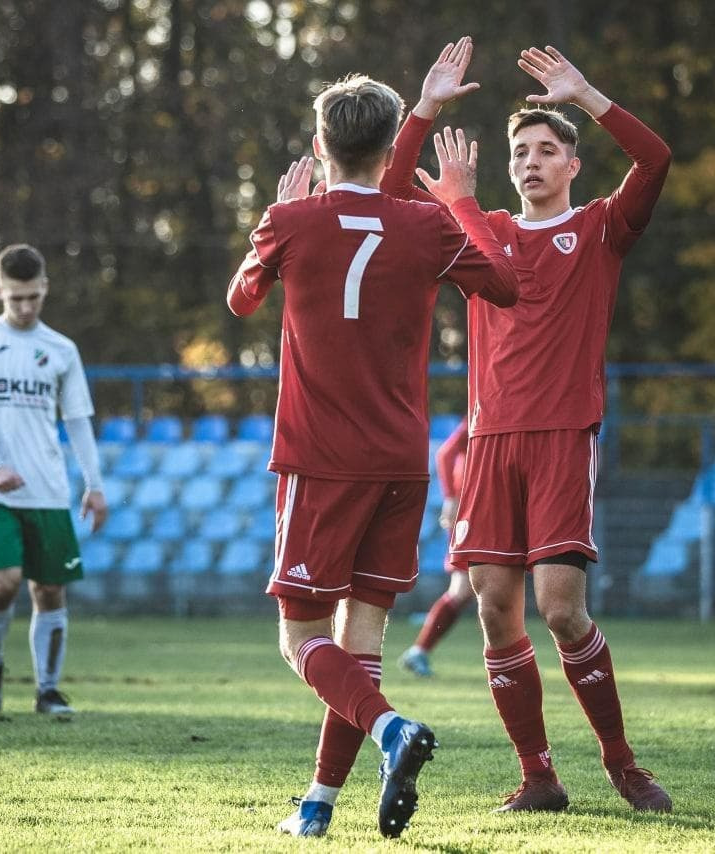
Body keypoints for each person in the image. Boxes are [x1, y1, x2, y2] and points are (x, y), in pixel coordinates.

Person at [226, 39, 519, 840]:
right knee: (360, 648)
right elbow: (504, 284)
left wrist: (268, 228)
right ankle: (318, 805)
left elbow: (242, 301)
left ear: (319, 145)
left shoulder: (289, 221)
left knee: (300, 641)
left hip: (320, 461)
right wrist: (460, 199)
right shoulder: (426, 225)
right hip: (400, 461)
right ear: (392, 152)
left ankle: (392, 729)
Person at [382, 43, 673, 814]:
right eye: (520, 152)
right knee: (491, 607)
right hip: (489, 443)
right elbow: (389, 192)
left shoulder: (601, 227)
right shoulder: (482, 231)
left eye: (547, 150)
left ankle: (623, 765)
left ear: (573, 164)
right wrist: (425, 108)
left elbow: (655, 160)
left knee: (562, 608)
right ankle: (539, 776)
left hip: (560, 436)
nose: (532, 161)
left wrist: (586, 95)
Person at [0, 244, 108, 717]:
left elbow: (77, 421)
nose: (24, 307)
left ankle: (48, 690)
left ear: (45, 289)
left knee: (50, 590)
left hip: (48, 488)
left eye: (33, 297)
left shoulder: (61, 350)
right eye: (15, 298)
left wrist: (94, 484)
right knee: (5, 582)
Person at [399, 418, 474, 677]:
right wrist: (451, 499)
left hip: (491, 511)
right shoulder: (483, 408)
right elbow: (445, 453)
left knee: (473, 591)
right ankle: (419, 651)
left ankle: (419, 651)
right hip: (470, 513)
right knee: (463, 589)